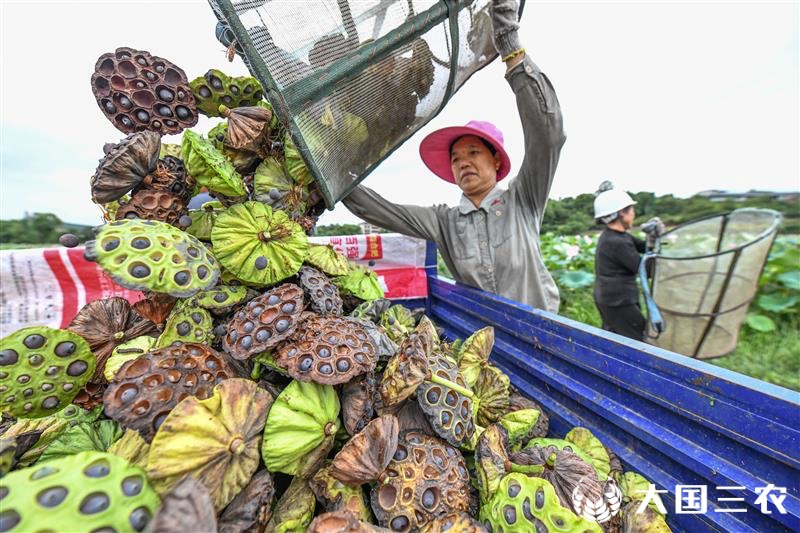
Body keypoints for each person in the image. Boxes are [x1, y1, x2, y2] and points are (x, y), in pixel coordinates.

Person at [343, 0, 565, 313]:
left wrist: (511, 50)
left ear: (496, 161)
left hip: (540, 334)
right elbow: (381, 211)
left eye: (474, 152)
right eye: (456, 158)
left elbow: (548, 135)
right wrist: (335, 175)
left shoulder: (522, 200)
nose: (463, 162)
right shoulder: (445, 221)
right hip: (483, 335)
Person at [592, 181, 664, 341]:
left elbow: (642, 247)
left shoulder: (615, 236)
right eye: (631, 210)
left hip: (609, 298)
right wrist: (653, 247)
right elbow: (646, 271)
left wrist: (652, 239)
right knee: (637, 340)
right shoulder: (617, 242)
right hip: (618, 301)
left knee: (614, 338)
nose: (633, 214)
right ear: (621, 213)